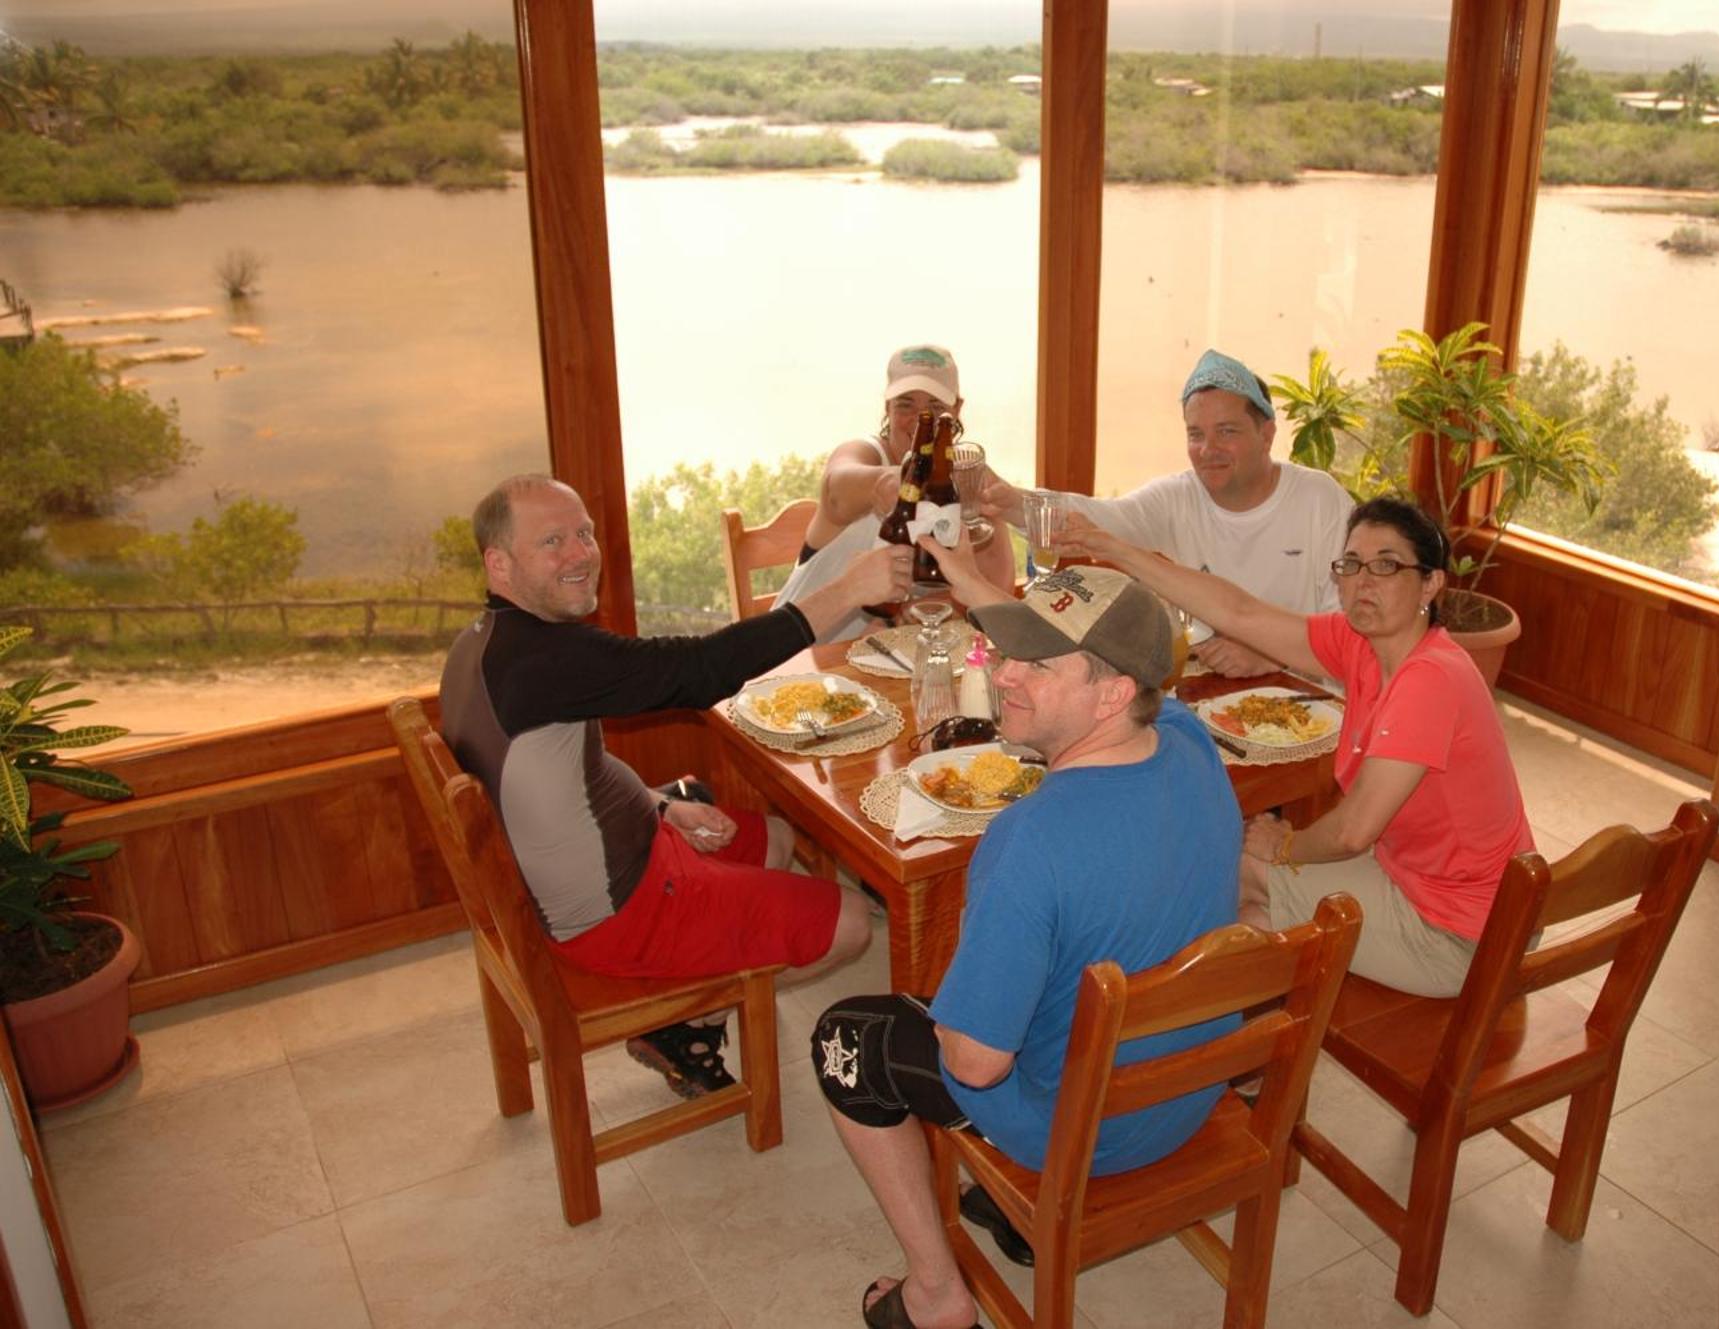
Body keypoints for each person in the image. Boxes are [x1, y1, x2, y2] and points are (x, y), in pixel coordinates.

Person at [811, 557, 1242, 1329]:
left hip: (1086, 1134)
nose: (1005, 674)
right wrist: (978, 582)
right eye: (1008, 651)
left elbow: (975, 1063)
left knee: (849, 1036)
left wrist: (956, 999)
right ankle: (1008, 1215)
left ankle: (938, 1296)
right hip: (1186, 1093)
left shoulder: (1028, 840)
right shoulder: (1186, 737)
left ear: (1112, 694)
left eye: (1039, 665)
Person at [440, 474, 913, 1100]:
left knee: (773, 837)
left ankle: (695, 1011)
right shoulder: (542, 663)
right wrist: (850, 588)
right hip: (612, 913)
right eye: (552, 541)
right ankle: (689, 1020)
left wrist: (662, 807)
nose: (581, 554)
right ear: (498, 564)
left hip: (615, 858)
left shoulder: (485, 645)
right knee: (852, 923)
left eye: (584, 533)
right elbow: (698, 672)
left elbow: (579, 770)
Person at [1063, 495, 1533, 999]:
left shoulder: (1429, 679)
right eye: (1351, 564)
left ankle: (1139, 1024)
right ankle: (1245, 1056)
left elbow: (1353, 832)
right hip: (1421, 881)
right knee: (1253, 917)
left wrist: (1285, 845)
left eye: (1387, 566)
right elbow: (1239, 611)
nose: (1363, 581)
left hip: (1464, 933)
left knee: (1234, 869)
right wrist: (1114, 548)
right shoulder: (1364, 644)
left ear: (1431, 583)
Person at [985, 347, 1353, 678]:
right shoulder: (1176, 496)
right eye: (1196, 434)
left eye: (1227, 431)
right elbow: (1102, 521)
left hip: (1312, 707)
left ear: (1267, 434)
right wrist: (1016, 504)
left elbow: (1353, 627)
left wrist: (1272, 656)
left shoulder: (1320, 500)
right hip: (1213, 699)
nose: (1209, 450)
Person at [773, 344, 1016, 641]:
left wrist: (920, 609)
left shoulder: (965, 483)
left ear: (956, 410)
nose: (919, 417)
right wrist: (892, 482)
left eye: (936, 407)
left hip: (879, 669)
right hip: (796, 660)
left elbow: (995, 592)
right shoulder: (864, 454)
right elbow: (836, 490)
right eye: (905, 404)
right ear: (886, 407)